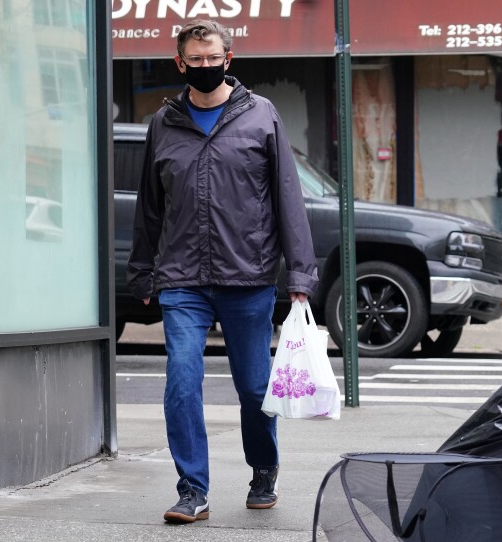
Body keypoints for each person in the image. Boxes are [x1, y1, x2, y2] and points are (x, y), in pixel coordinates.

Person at [126, 19, 318, 524]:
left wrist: (299, 276)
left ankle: (264, 469)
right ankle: (193, 489)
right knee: (182, 383)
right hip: (182, 278)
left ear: (228, 61)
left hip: (248, 277)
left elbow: (288, 199)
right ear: (180, 63)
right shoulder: (163, 124)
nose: (206, 67)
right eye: (197, 59)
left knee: (255, 389)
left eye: (214, 59)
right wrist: (142, 272)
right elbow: (149, 205)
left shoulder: (261, 116)